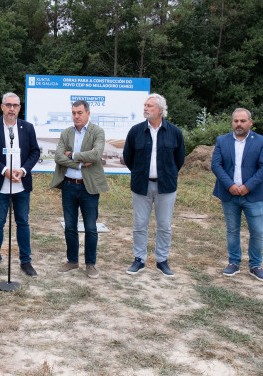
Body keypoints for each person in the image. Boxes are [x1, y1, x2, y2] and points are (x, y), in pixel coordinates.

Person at [122, 93, 185, 277]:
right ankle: (139, 259)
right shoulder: (136, 131)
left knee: (164, 225)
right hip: (141, 186)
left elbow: (179, 160)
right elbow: (128, 157)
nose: (145, 108)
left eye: (149, 106)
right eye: (145, 105)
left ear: (160, 110)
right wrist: (140, 173)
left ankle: (162, 260)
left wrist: (167, 174)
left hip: (166, 187)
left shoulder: (174, 132)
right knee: (140, 224)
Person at [0, 92, 41, 278]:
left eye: (15, 105)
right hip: (0, 184)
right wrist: (4, 170)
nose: (12, 109)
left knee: (22, 222)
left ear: (19, 108)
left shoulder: (27, 128)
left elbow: (35, 152)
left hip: (21, 184)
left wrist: (22, 170)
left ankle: (25, 261)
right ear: (2, 107)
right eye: (8, 105)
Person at [211, 108, 263, 281]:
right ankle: (234, 262)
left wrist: (247, 186)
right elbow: (216, 165)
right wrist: (230, 185)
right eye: (236, 121)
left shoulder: (261, 141)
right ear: (232, 122)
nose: (239, 124)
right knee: (232, 230)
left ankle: (255, 265)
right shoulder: (222, 140)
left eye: (243, 121)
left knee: (257, 231)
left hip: (252, 195)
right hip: (229, 194)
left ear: (250, 122)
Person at [50, 100, 109, 279]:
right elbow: (58, 157)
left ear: (88, 113)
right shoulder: (66, 133)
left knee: (91, 227)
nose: (76, 116)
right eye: (74, 113)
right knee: (70, 226)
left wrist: (73, 155)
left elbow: (96, 155)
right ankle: (72, 261)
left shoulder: (97, 131)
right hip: (68, 185)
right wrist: (81, 163)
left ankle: (90, 264)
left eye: (80, 113)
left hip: (88, 188)